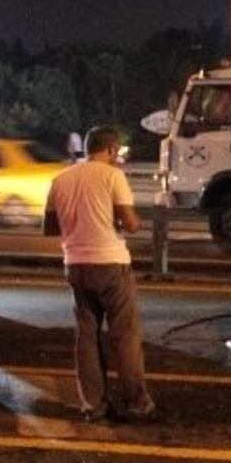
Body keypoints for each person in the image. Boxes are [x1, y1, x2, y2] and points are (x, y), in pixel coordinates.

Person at [43, 126, 155, 421]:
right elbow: (130, 224)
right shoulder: (112, 176)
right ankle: (136, 402)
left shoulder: (61, 179)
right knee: (125, 336)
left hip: (76, 264)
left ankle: (93, 404)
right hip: (110, 263)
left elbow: (50, 228)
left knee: (87, 337)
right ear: (111, 149)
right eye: (116, 152)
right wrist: (124, 221)